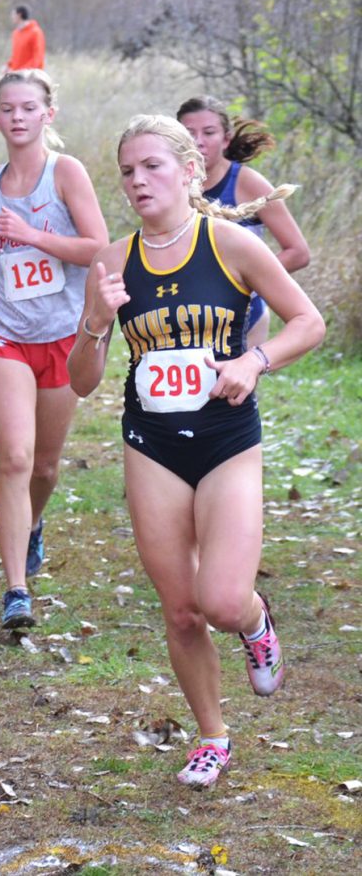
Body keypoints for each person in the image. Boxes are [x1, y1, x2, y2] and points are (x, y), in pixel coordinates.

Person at [67, 114, 325, 788]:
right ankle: (213, 736)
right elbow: (80, 380)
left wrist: (256, 361)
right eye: (127, 171)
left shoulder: (233, 245)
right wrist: (96, 322)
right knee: (180, 608)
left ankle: (255, 620)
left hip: (226, 438)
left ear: (189, 170)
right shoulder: (115, 261)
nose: (137, 181)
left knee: (220, 599)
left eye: (152, 166)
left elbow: (309, 322)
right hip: (152, 442)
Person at [0, 69, 108, 629]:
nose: (17, 117)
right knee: (16, 459)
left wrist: (32, 235)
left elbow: (99, 248)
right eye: (7, 108)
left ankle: (32, 525)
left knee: (45, 467)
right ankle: (16, 590)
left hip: (62, 339)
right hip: (3, 336)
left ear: (48, 114)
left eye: (28, 107)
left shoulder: (65, 172)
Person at [177, 96, 310, 347]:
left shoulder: (247, 183)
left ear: (225, 139)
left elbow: (298, 252)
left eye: (209, 132)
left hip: (242, 313)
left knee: (234, 386)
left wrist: (245, 282)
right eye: (188, 133)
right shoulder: (172, 183)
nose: (198, 141)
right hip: (186, 310)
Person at [6, 5, 46, 72]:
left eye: (13, 15)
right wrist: (9, 65)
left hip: (32, 75)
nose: (11, 17)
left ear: (19, 15)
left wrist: (23, 71)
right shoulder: (15, 33)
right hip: (17, 75)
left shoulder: (35, 32)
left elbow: (38, 57)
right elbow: (17, 55)